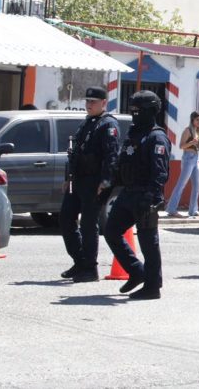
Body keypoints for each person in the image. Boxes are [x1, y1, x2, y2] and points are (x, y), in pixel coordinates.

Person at [104, 90, 170, 300]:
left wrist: (151, 197)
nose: (134, 114)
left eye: (138, 111)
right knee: (111, 231)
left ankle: (152, 286)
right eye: (132, 110)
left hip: (145, 195)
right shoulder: (134, 133)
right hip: (128, 193)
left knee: (149, 243)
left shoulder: (156, 137)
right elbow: (123, 163)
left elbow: (160, 172)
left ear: (150, 111)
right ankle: (136, 271)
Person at [59, 86, 120, 283]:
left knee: (88, 225)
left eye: (93, 102)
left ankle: (90, 268)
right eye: (87, 101)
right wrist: (68, 178)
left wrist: (105, 181)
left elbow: (111, 155)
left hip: (94, 182)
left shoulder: (108, 125)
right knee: (66, 219)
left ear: (104, 103)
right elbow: (75, 154)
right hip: (78, 180)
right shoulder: (87, 123)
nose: (89, 105)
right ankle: (80, 261)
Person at [165, 111, 199, 218]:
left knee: (197, 185)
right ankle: (171, 209)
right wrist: (191, 143)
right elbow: (181, 146)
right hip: (188, 158)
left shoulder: (198, 130)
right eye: (197, 120)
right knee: (181, 184)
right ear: (192, 120)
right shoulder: (188, 130)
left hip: (196, 158)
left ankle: (193, 210)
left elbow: (198, 146)